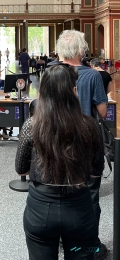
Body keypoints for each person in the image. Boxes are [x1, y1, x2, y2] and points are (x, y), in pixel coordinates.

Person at [15, 64, 104, 260]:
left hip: (41, 208)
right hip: (79, 207)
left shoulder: (31, 125)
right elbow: (96, 171)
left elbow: (20, 168)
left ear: (42, 93)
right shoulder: (89, 125)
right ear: (74, 91)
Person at [56, 30, 108, 260]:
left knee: (60, 192)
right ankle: (88, 244)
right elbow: (103, 112)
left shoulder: (51, 73)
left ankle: (63, 242)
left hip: (57, 141)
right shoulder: (92, 76)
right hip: (85, 143)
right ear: (80, 50)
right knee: (90, 196)